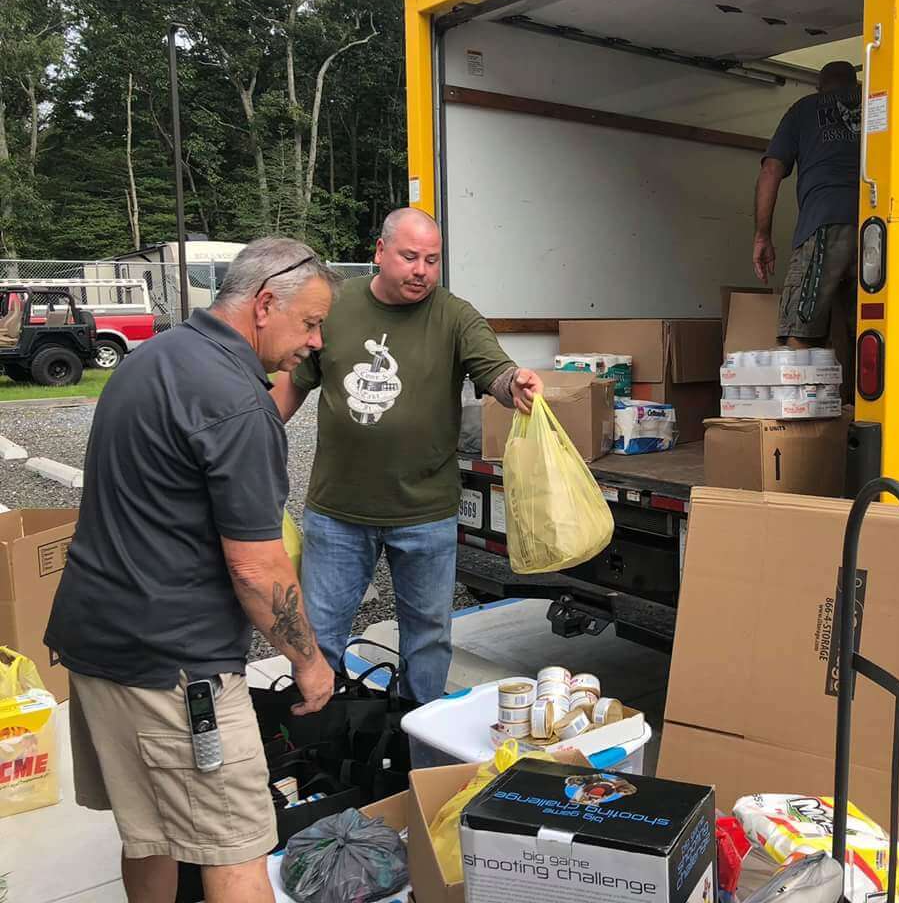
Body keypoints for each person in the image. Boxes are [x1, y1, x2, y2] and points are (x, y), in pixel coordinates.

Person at [43, 239, 341, 903]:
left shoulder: (156, 358)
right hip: (177, 668)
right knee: (235, 847)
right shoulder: (235, 399)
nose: (317, 342)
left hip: (97, 644)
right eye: (311, 323)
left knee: (149, 834)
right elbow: (257, 565)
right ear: (265, 305)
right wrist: (310, 661)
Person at [272, 207, 542, 716]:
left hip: (425, 515)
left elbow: (496, 371)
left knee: (428, 637)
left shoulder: (454, 316)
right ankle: (318, 737)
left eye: (433, 260)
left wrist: (516, 385)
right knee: (320, 634)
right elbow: (291, 386)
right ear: (380, 252)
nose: (422, 270)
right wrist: (248, 438)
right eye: (410, 256)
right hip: (338, 514)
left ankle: (417, 736)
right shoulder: (334, 308)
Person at [753, 60, 861, 354]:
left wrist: (763, 235)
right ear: (856, 84)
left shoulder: (804, 109)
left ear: (819, 86)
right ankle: (858, 401)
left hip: (823, 222)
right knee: (868, 330)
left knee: (801, 327)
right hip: (876, 226)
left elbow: (770, 171)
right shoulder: (879, 103)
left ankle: (798, 399)